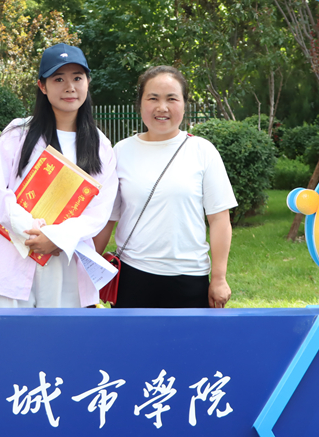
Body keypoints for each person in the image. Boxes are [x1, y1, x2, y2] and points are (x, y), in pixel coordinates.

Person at [0, 43, 117, 308]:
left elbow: (100, 209)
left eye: (77, 78)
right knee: (7, 333)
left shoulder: (100, 146)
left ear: (88, 82)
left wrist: (56, 238)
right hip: (13, 258)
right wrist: (31, 232)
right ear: (42, 86)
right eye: (58, 79)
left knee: (61, 334)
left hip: (65, 263)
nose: (70, 87)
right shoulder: (17, 135)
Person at [93, 66, 236, 308]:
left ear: (184, 104)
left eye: (171, 99)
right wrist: (88, 268)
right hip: (132, 276)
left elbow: (219, 219)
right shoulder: (121, 151)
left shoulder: (203, 151)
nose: (162, 107)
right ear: (140, 104)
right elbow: (107, 218)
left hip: (189, 277)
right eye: (153, 98)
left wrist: (219, 278)